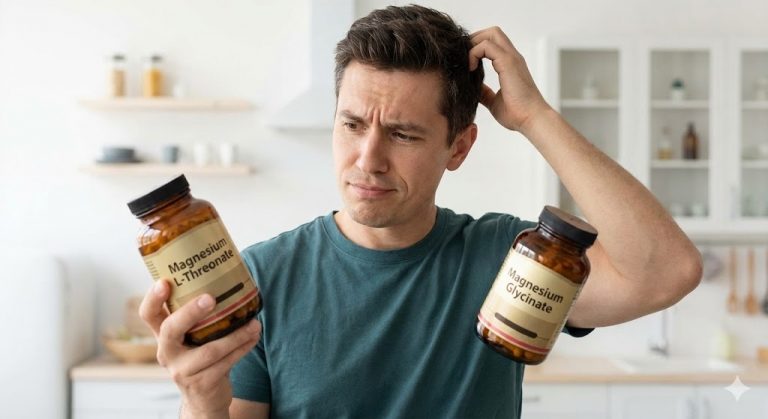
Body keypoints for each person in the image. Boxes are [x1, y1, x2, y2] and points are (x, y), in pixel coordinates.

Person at [139, 5, 702, 419]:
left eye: (404, 134)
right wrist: (201, 404)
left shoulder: (509, 262)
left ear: (458, 147)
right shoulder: (258, 279)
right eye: (352, 124)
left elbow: (666, 272)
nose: (369, 159)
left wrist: (534, 116)